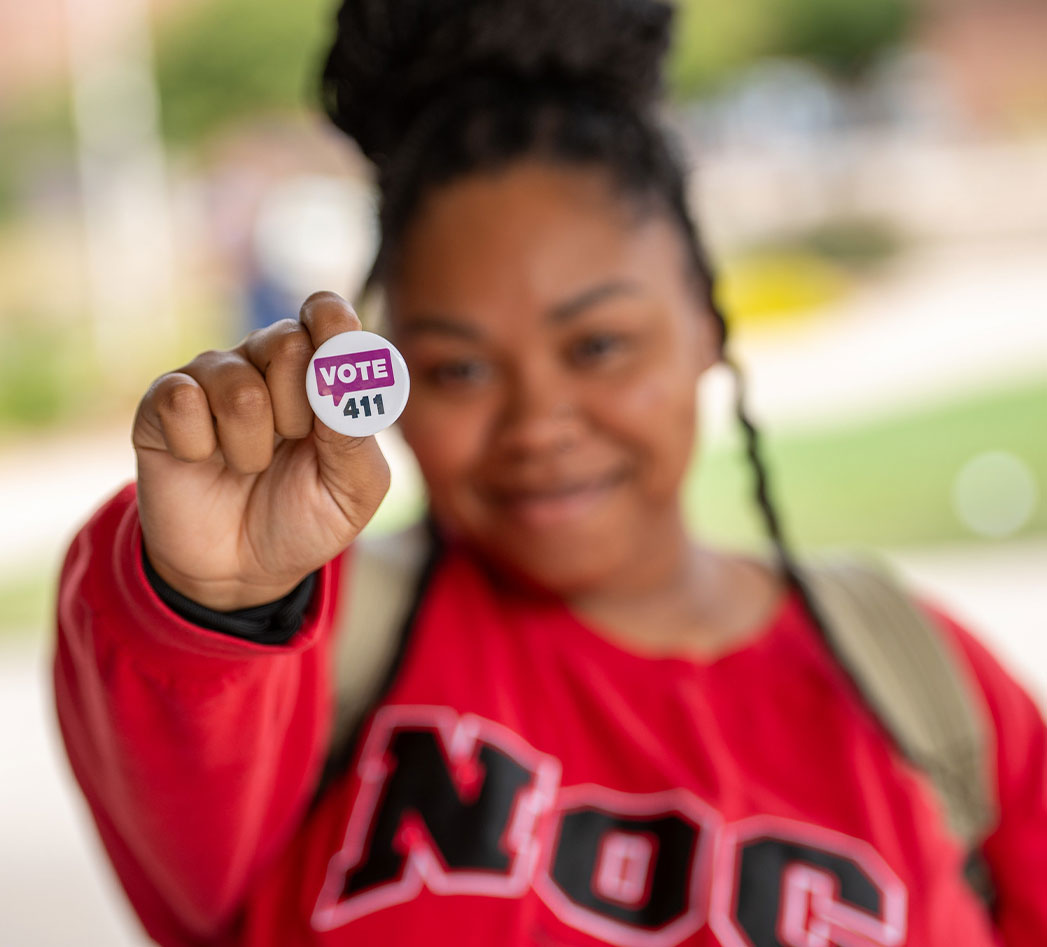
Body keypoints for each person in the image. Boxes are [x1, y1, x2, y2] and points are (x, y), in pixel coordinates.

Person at [53, 1, 1046, 945]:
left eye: (600, 345)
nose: (538, 423)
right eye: (460, 368)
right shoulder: (306, 643)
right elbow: (180, 841)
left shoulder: (928, 686)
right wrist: (215, 604)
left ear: (706, 324)